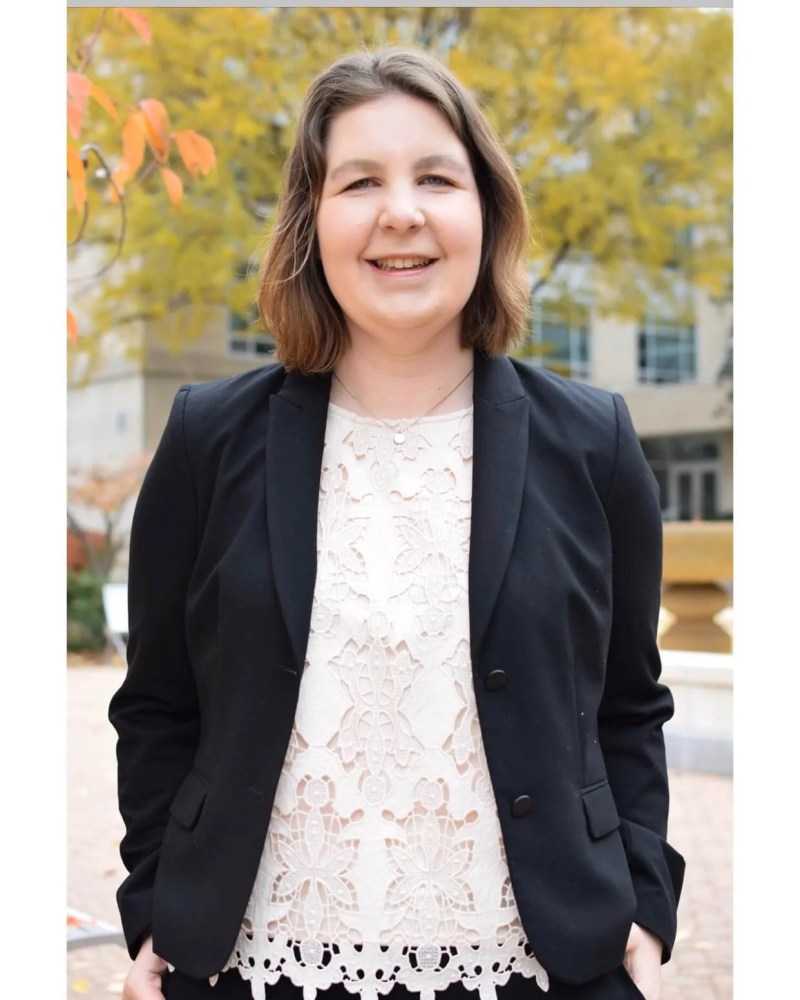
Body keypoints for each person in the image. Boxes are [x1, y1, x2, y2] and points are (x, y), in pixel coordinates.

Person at [110, 47, 685, 1000]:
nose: (401, 212)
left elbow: (629, 703)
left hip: (539, 967)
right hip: (253, 967)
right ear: (313, 221)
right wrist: (155, 908)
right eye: (360, 181)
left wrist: (647, 911)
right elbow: (159, 704)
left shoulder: (594, 443)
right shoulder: (209, 437)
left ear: (485, 211)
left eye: (435, 177)